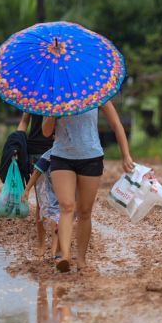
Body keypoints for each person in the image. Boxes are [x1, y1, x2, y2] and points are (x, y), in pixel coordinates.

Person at [42, 100, 134, 272]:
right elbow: (46, 132)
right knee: (67, 206)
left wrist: (126, 155)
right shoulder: (55, 97)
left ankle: (81, 260)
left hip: (91, 157)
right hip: (62, 157)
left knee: (84, 211)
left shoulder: (96, 92)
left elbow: (116, 124)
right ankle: (65, 256)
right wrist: (54, 112)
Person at [22, 149, 60, 260]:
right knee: (54, 210)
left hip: (62, 180)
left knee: (59, 210)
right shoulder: (49, 154)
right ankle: (52, 249)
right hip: (48, 179)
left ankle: (56, 248)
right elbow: (38, 170)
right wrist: (27, 189)